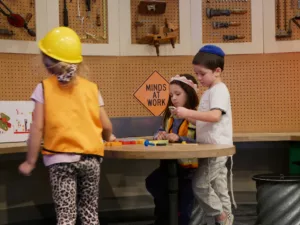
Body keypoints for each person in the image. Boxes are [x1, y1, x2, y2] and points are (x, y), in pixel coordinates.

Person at [18, 26, 113, 225]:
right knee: (89, 212)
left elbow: (37, 128)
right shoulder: (91, 88)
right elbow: (106, 124)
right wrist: (107, 137)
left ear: (47, 62)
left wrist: (30, 161)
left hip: (60, 158)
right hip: (91, 159)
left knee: (66, 215)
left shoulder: (44, 87)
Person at [173, 45, 236, 225]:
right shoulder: (211, 91)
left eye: (202, 74)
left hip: (216, 149)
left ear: (217, 71)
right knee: (219, 188)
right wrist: (185, 116)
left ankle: (220, 215)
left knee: (200, 185)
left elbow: (215, 116)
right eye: (197, 74)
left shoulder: (219, 90)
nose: (199, 78)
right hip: (212, 149)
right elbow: (204, 120)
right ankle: (226, 221)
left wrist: (188, 113)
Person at [145, 74, 206, 225]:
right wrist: (160, 135)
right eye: (171, 95)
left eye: (178, 94)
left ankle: (176, 217)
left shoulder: (197, 116)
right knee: (153, 182)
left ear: (190, 94)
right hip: (168, 166)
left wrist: (180, 139)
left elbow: (202, 141)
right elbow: (160, 130)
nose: (174, 98)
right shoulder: (169, 116)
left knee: (184, 209)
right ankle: (165, 216)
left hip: (188, 171)